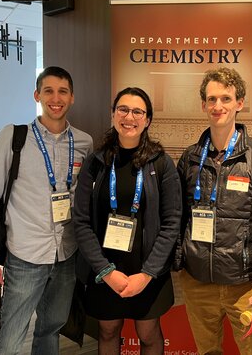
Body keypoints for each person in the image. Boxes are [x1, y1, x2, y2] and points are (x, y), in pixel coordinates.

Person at [0, 66, 93, 354]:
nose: (56, 98)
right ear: (37, 95)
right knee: (10, 340)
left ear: (72, 97)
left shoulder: (84, 142)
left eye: (63, 91)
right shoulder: (14, 137)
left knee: (50, 329)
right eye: (49, 91)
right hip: (25, 255)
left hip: (66, 254)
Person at [175, 67, 252, 355]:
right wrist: (180, 260)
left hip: (246, 284)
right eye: (211, 100)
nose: (218, 106)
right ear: (203, 105)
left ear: (240, 103)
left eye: (226, 98)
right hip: (198, 281)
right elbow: (178, 217)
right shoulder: (190, 158)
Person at [73, 87, 182, 354]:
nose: (129, 116)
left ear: (147, 120)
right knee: (108, 331)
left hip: (147, 271)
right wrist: (105, 271)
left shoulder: (161, 163)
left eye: (137, 111)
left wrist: (147, 274)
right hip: (105, 269)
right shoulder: (96, 162)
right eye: (123, 109)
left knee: (148, 333)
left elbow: (172, 222)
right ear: (113, 115)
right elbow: (81, 221)